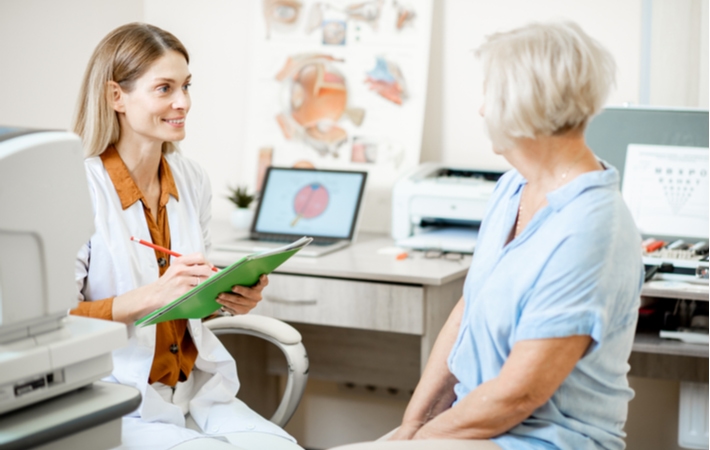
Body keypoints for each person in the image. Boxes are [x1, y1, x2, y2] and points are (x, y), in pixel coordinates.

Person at [330, 21, 644, 450]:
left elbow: (519, 395)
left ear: (528, 102)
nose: (481, 110)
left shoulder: (591, 228)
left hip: (548, 440)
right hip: (482, 427)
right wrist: (411, 428)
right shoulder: (513, 187)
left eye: (490, 94)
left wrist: (417, 442)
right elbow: (469, 309)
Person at [70, 22, 302, 450]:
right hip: (117, 397)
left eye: (186, 86)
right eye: (164, 89)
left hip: (198, 390)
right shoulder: (77, 189)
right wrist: (153, 296)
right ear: (115, 96)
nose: (183, 102)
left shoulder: (191, 179)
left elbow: (189, 312)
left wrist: (225, 298)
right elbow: (55, 324)